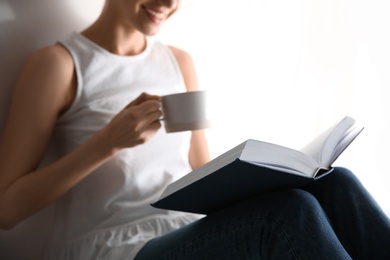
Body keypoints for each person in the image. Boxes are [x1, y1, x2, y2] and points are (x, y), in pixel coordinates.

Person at [0, 0, 389, 259]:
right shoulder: (60, 66)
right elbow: (7, 208)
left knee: (335, 182)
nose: (168, 3)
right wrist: (107, 142)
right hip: (120, 248)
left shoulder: (179, 63)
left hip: (192, 230)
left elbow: (201, 171)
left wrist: (265, 176)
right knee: (290, 213)